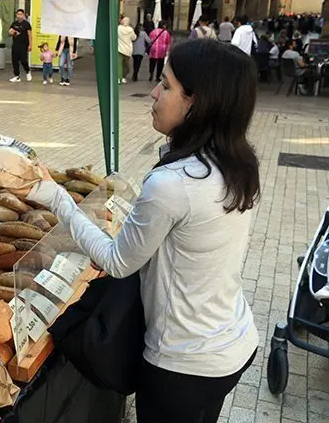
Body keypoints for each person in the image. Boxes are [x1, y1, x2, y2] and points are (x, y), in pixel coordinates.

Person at [24, 39, 259, 423]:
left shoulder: (174, 181)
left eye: (166, 86)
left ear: (195, 102)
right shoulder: (237, 162)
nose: (152, 92)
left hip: (182, 366)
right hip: (234, 343)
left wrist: (57, 197)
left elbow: (118, 261)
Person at [8, 9, 32, 83]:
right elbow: (9, 33)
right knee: (14, 61)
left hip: (23, 45)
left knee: (23, 60)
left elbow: (30, 35)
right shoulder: (14, 23)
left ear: (23, 15)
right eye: (18, 14)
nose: (19, 16)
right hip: (15, 45)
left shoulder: (26, 24)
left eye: (21, 14)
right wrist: (11, 32)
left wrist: (30, 45)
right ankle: (17, 76)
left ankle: (27, 71)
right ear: (16, 15)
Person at [118, 17, 137, 84]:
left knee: (119, 64)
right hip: (128, 49)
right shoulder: (130, 29)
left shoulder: (118, 28)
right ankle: (123, 77)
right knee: (126, 65)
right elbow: (134, 38)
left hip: (119, 48)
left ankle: (118, 78)